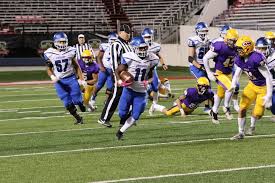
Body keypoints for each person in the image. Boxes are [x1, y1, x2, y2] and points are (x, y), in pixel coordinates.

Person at [115, 36, 159, 140]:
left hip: (141, 92)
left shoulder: (153, 58)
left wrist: (147, 82)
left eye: (144, 48)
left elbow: (152, 76)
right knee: (122, 113)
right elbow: (118, 71)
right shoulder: (128, 57)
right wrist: (119, 80)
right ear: (134, 48)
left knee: (136, 115)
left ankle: (121, 132)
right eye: (140, 48)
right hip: (129, 89)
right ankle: (124, 119)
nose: (143, 50)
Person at [229, 35, 272, 140]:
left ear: (247, 47)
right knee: (242, 107)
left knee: (258, 113)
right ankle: (240, 133)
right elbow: (237, 74)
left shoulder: (256, 58)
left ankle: (252, 126)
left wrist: (269, 95)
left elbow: (268, 77)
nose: (238, 51)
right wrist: (233, 84)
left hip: (263, 87)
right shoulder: (239, 58)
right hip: (252, 85)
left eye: (240, 48)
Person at [44, 32, 86, 124]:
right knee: (67, 103)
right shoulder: (49, 53)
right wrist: (52, 76)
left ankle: (80, 103)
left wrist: (81, 78)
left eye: (64, 42)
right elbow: (48, 68)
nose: (62, 44)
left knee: (77, 100)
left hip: (71, 78)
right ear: (55, 42)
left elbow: (76, 66)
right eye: (60, 42)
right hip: (59, 81)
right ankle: (78, 118)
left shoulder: (71, 50)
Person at [97, 24, 133, 127]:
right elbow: (114, 62)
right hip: (119, 74)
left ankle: (124, 119)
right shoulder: (116, 44)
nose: (128, 35)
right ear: (120, 32)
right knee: (115, 96)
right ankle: (104, 118)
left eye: (129, 33)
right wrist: (117, 78)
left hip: (127, 75)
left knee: (128, 97)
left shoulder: (128, 44)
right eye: (127, 33)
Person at [203, 29, 239, 124]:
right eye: (231, 40)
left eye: (234, 40)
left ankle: (214, 112)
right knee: (231, 87)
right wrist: (209, 73)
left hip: (229, 73)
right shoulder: (219, 46)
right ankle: (226, 107)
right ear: (226, 38)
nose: (233, 42)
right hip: (219, 73)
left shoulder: (236, 48)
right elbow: (205, 58)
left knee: (220, 95)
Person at [141, 28, 168, 115]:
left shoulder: (155, 46)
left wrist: (163, 64)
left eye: (150, 36)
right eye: (147, 36)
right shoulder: (139, 45)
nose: (149, 38)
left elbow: (158, 55)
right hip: (142, 70)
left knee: (156, 87)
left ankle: (154, 105)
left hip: (152, 70)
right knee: (140, 87)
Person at [89, 32, 118, 109]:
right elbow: (98, 57)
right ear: (109, 40)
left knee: (110, 87)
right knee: (99, 85)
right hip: (104, 69)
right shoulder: (105, 46)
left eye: (115, 40)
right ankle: (93, 98)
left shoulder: (118, 48)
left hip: (112, 70)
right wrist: (101, 66)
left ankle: (107, 101)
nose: (114, 41)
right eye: (112, 40)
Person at [188, 22, 211, 113]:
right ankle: (189, 102)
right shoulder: (193, 40)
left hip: (204, 66)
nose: (204, 32)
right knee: (203, 84)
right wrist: (200, 67)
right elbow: (190, 58)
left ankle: (206, 106)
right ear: (197, 31)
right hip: (195, 66)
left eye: (205, 30)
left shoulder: (208, 39)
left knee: (208, 85)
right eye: (202, 30)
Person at [255, 37, 275, 122]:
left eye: (263, 48)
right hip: (265, 85)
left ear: (269, 48)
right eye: (259, 49)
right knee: (269, 106)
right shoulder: (255, 56)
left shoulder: (273, 57)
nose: (261, 51)